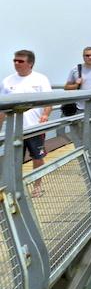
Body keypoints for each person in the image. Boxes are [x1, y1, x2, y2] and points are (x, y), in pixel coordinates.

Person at [0, 50, 52, 196]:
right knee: (14, 160)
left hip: (35, 126)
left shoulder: (40, 79)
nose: (16, 63)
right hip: (14, 129)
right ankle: (15, 188)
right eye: (15, 60)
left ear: (30, 63)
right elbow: (2, 108)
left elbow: (50, 101)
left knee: (38, 157)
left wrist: (45, 115)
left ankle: (37, 187)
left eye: (20, 61)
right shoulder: (7, 81)